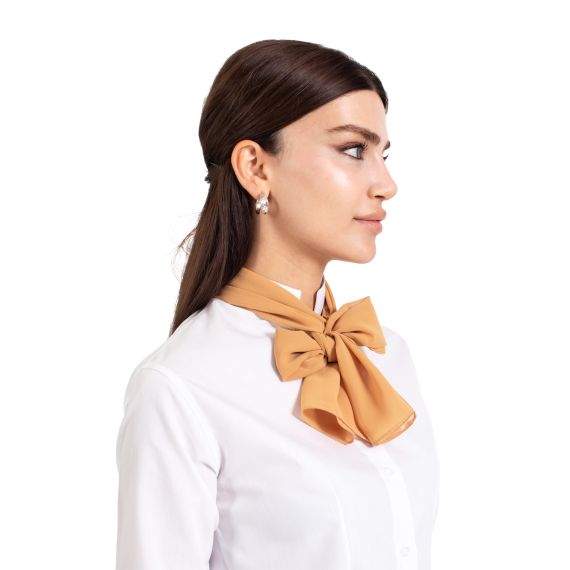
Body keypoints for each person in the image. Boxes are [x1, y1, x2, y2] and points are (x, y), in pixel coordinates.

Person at [115, 38, 440, 570]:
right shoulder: (180, 387)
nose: (387, 184)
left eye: (383, 155)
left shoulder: (388, 355)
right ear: (256, 167)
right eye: (353, 150)